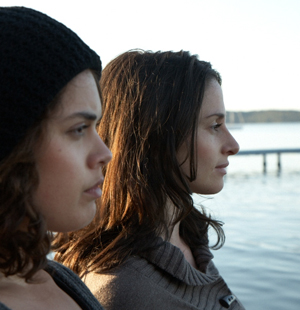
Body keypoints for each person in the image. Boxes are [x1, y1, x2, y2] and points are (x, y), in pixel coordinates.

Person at [54, 50, 244, 310]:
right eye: (214, 126)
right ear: (158, 137)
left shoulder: (187, 238)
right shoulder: (123, 291)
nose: (233, 145)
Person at [0, 6, 112, 310]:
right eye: (78, 129)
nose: (106, 153)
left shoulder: (60, 277)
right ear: (13, 147)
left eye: (96, 127)